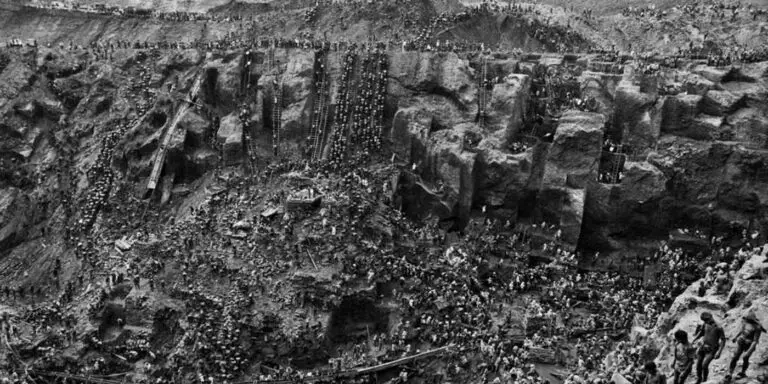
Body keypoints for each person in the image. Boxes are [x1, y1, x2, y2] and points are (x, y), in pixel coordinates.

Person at [728, 311, 765, 379]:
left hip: (749, 344)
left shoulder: (757, 327)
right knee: (735, 357)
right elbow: (742, 331)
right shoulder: (745, 322)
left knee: (745, 358)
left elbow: (755, 341)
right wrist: (736, 337)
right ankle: (730, 373)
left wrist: (748, 352)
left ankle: (743, 372)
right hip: (741, 341)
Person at [693, 312, 726, 384]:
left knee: (704, 365)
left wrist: (719, 352)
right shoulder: (705, 324)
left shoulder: (719, 327)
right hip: (703, 346)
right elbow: (701, 332)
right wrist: (694, 339)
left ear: (711, 317)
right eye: (704, 321)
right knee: (698, 364)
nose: (705, 322)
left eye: (706, 320)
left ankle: (704, 380)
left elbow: (723, 340)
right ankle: (699, 378)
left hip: (712, 349)